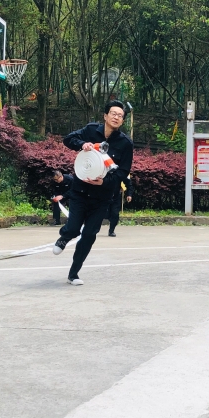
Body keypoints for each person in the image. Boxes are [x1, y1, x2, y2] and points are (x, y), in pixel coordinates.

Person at [53, 100, 134, 285]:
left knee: (89, 235)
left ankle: (73, 274)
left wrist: (104, 182)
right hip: (80, 192)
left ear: (122, 120)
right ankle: (64, 237)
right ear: (105, 116)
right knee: (73, 229)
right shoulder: (91, 130)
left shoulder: (125, 143)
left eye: (120, 116)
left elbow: (123, 172)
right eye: (113, 113)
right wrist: (83, 144)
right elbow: (68, 139)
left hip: (102, 197)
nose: (116, 117)